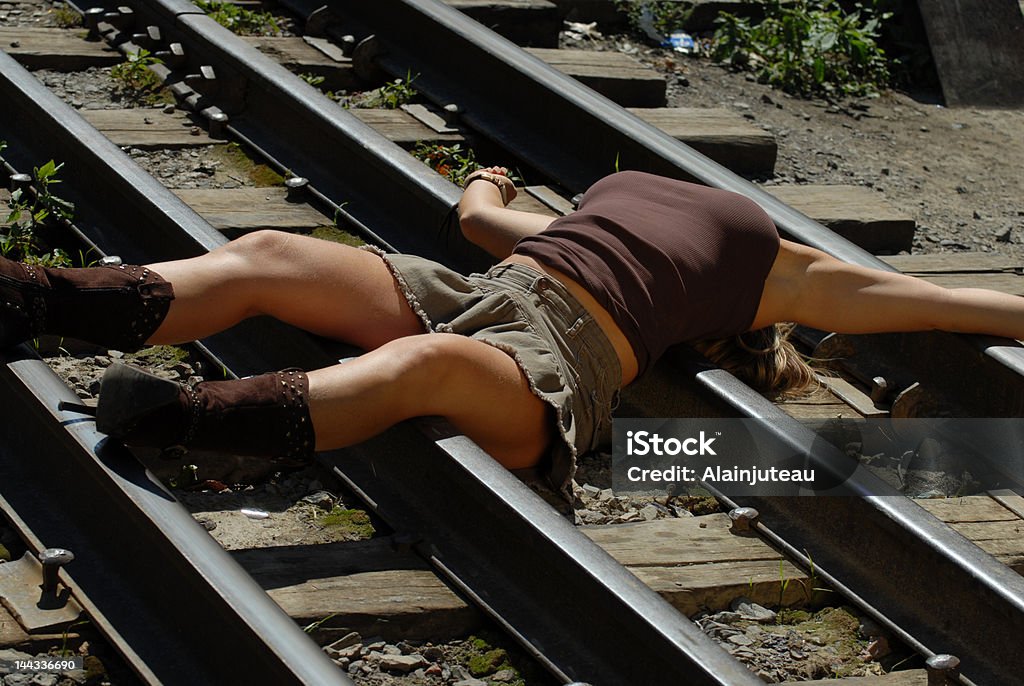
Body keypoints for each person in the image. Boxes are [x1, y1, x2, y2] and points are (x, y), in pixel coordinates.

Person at [2, 169, 1022, 499]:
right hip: (481, 286)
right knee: (276, 250)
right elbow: (482, 225)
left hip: (556, 360)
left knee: (426, 366)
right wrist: (486, 178)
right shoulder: (601, 206)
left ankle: (191, 425)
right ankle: (45, 297)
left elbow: (931, 300)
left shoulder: (776, 274)